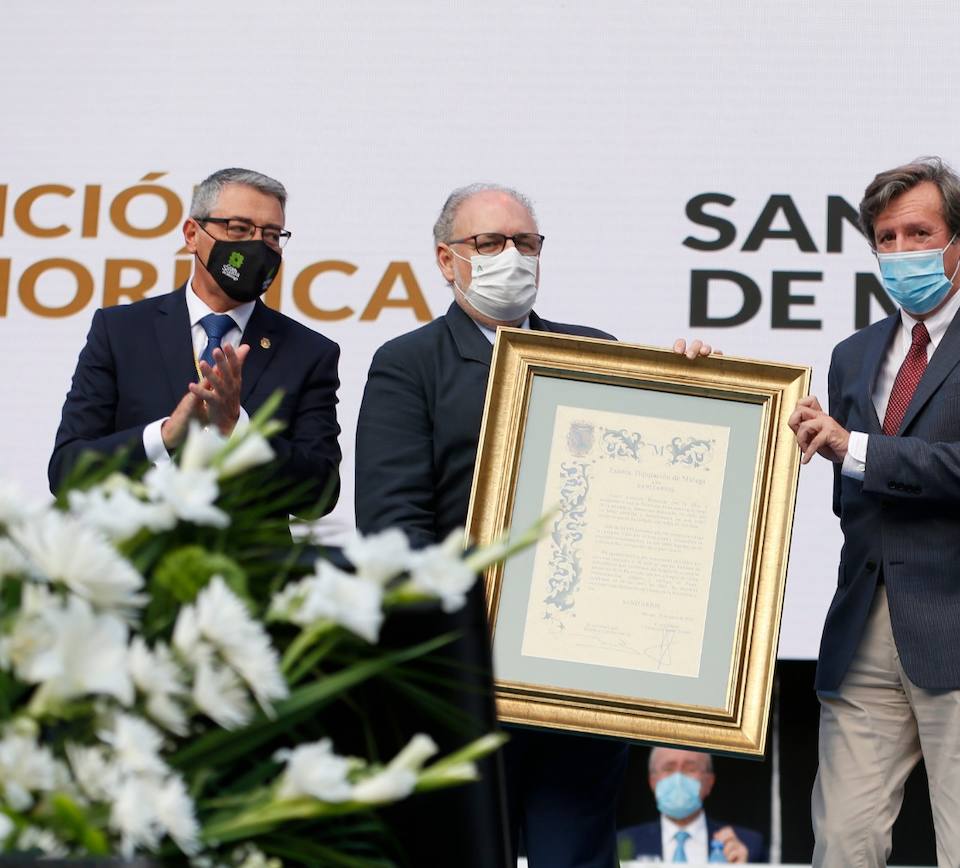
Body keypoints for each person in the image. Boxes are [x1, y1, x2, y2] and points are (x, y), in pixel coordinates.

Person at [354, 182, 714, 868]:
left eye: (525, 243)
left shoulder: (596, 353)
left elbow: (651, 491)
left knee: (573, 855)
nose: (510, 257)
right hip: (462, 677)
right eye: (488, 243)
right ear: (445, 259)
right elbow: (392, 528)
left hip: (579, 681)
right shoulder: (408, 365)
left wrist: (696, 393)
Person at [789, 157, 960, 868]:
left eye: (919, 232)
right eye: (886, 236)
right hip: (864, 623)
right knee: (842, 846)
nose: (902, 250)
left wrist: (858, 448)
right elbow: (853, 494)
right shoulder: (853, 354)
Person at [49, 167, 341, 519]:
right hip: (131, 561)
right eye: (239, 229)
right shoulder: (120, 331)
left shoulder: (309, 353)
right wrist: (165, 436)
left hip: (250, 568)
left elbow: (320, 495)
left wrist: (237, 428)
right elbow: (66, 470)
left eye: (272, 235)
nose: (258, 245)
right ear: (192, 234)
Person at [618, 748, 765, 863]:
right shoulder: (622, 843)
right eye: (668, 768)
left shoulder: (746, 845)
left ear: (709, 782)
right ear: (652, 781)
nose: (678, 779)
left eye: (690, 768)